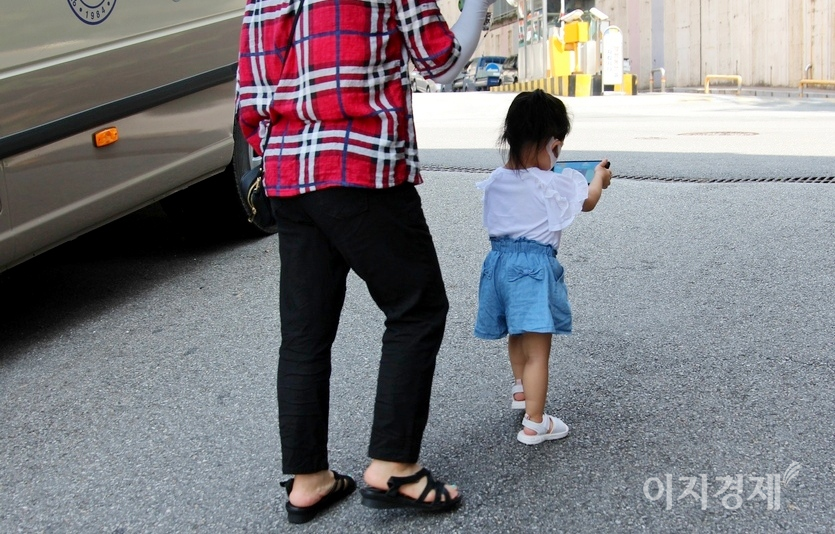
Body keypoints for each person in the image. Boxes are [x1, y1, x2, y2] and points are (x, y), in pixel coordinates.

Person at [236, 0, 495, 524]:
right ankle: (394, 466)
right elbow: (441, 63)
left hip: (289, 172)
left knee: (305, 331)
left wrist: (274, 149)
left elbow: (252, 87)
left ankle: (308, 480)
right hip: (361, 163)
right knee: (417, 307)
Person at [474, 89, 611, 446]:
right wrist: (598, 177)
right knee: (539, 350)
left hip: (498, 264)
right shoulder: (555, 182)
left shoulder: (495, 179)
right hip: (533, 268)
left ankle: (521, 391)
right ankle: (535, 423)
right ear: (553, 144)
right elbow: (590, 201)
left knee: (517, 335)